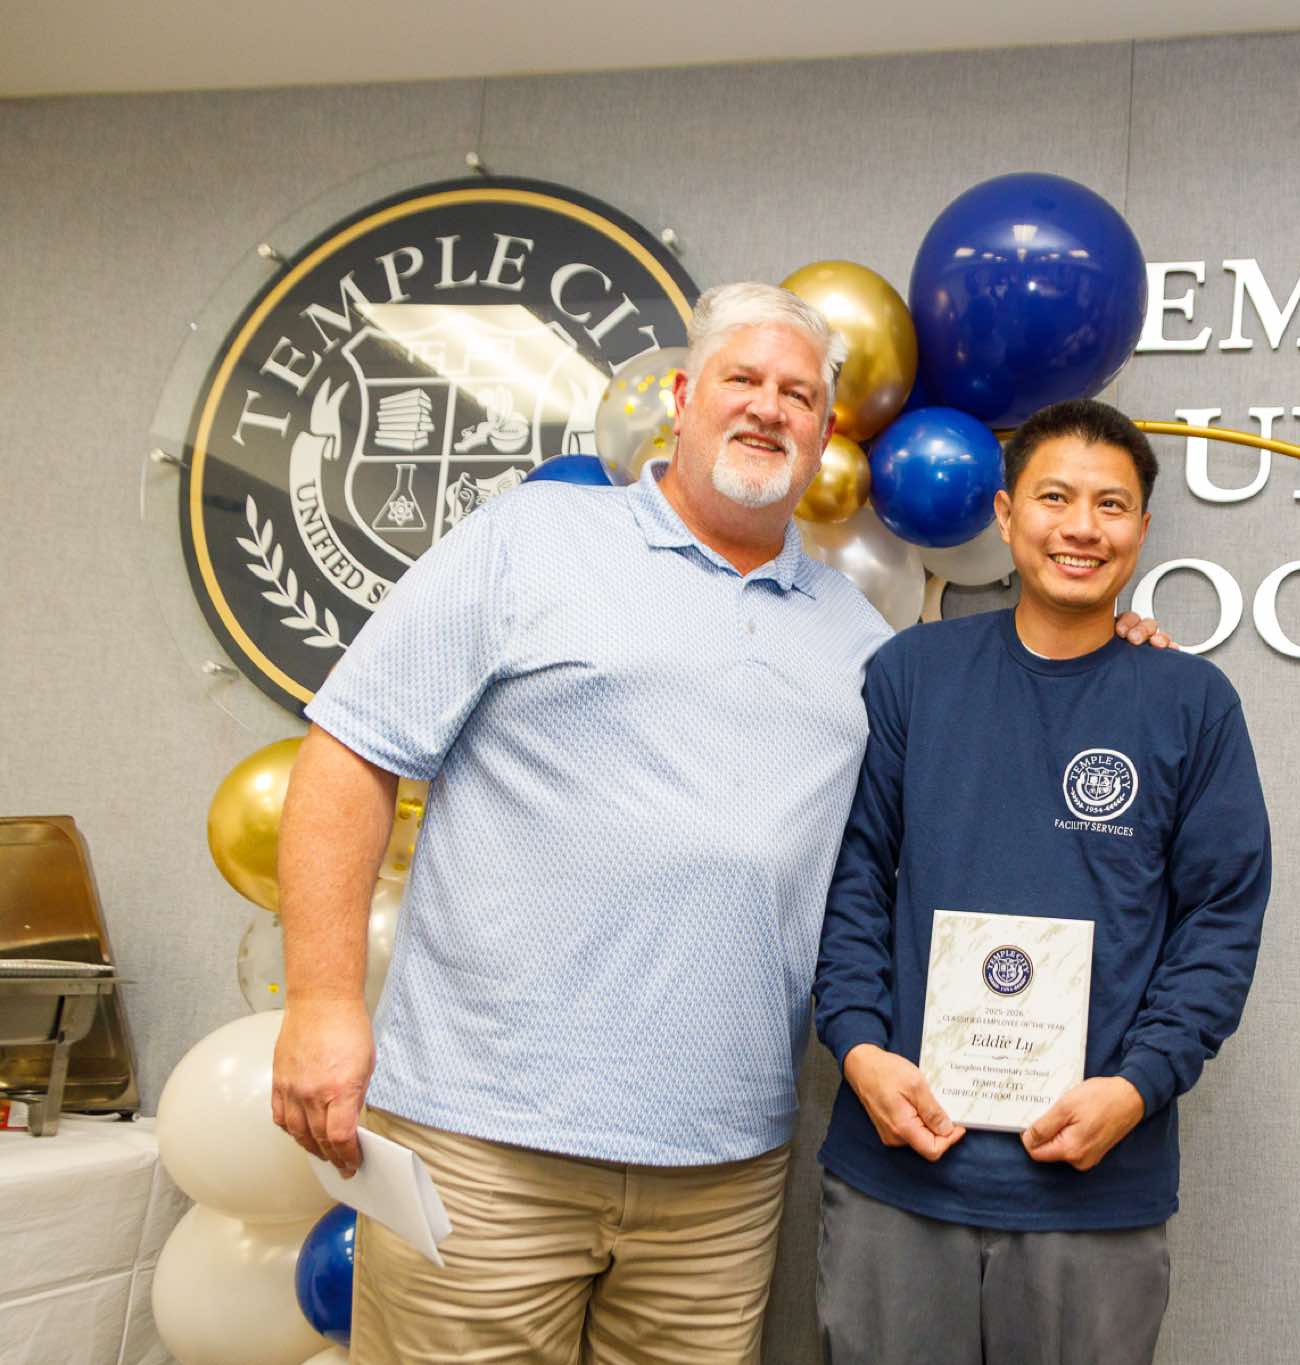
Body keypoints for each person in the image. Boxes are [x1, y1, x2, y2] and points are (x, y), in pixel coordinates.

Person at [270, 282, 1167, 1364]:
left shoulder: (856, 638)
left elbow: (973, 778)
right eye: (743, 379)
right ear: (684, 398)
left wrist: (1114, 664)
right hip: (486, 1143)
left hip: (721, 1176)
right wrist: (323, 1003)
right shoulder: (530, 540)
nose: (768, 408)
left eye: (799, 395)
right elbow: (351, 754)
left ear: (823, 435)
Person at [811, 398, 1273, 1365]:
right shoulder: (911, 674)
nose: (1081, 527)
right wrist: (858, 1048)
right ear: (1006, 512)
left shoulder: (1190, 702)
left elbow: (1220, 920)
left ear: (1141, 529)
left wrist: (1138, 1086)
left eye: (1111, 505)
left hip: (1095, 1189)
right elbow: (850, 879)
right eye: (1055, 497)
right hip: (900, 1169)